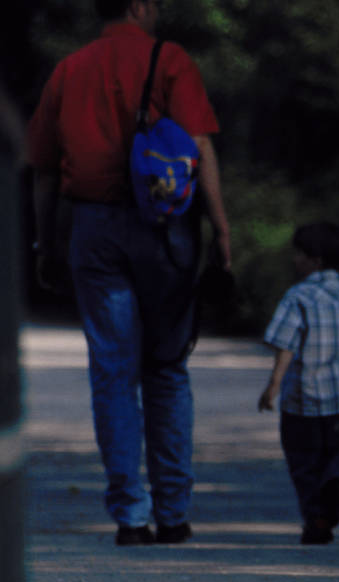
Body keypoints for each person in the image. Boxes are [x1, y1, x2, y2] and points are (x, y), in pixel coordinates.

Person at [27, 0, 231, 546]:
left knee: (113, 372)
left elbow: (43, 171)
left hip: (92, 228)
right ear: (140, 5)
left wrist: (47, 244)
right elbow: (201, 146)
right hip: (167, 229)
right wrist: (221, 232)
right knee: (166, 368)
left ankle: (130, 515)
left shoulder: (69, 69)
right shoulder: (169, 59)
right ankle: (174, 512)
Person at [258, 222, 339, 545]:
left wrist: (273, 386)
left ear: (316, 260)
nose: (295, 260)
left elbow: (286, 345)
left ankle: (318, 520)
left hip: (301, 399)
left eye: (300, 254)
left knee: (305, 462)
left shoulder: (298, 295)